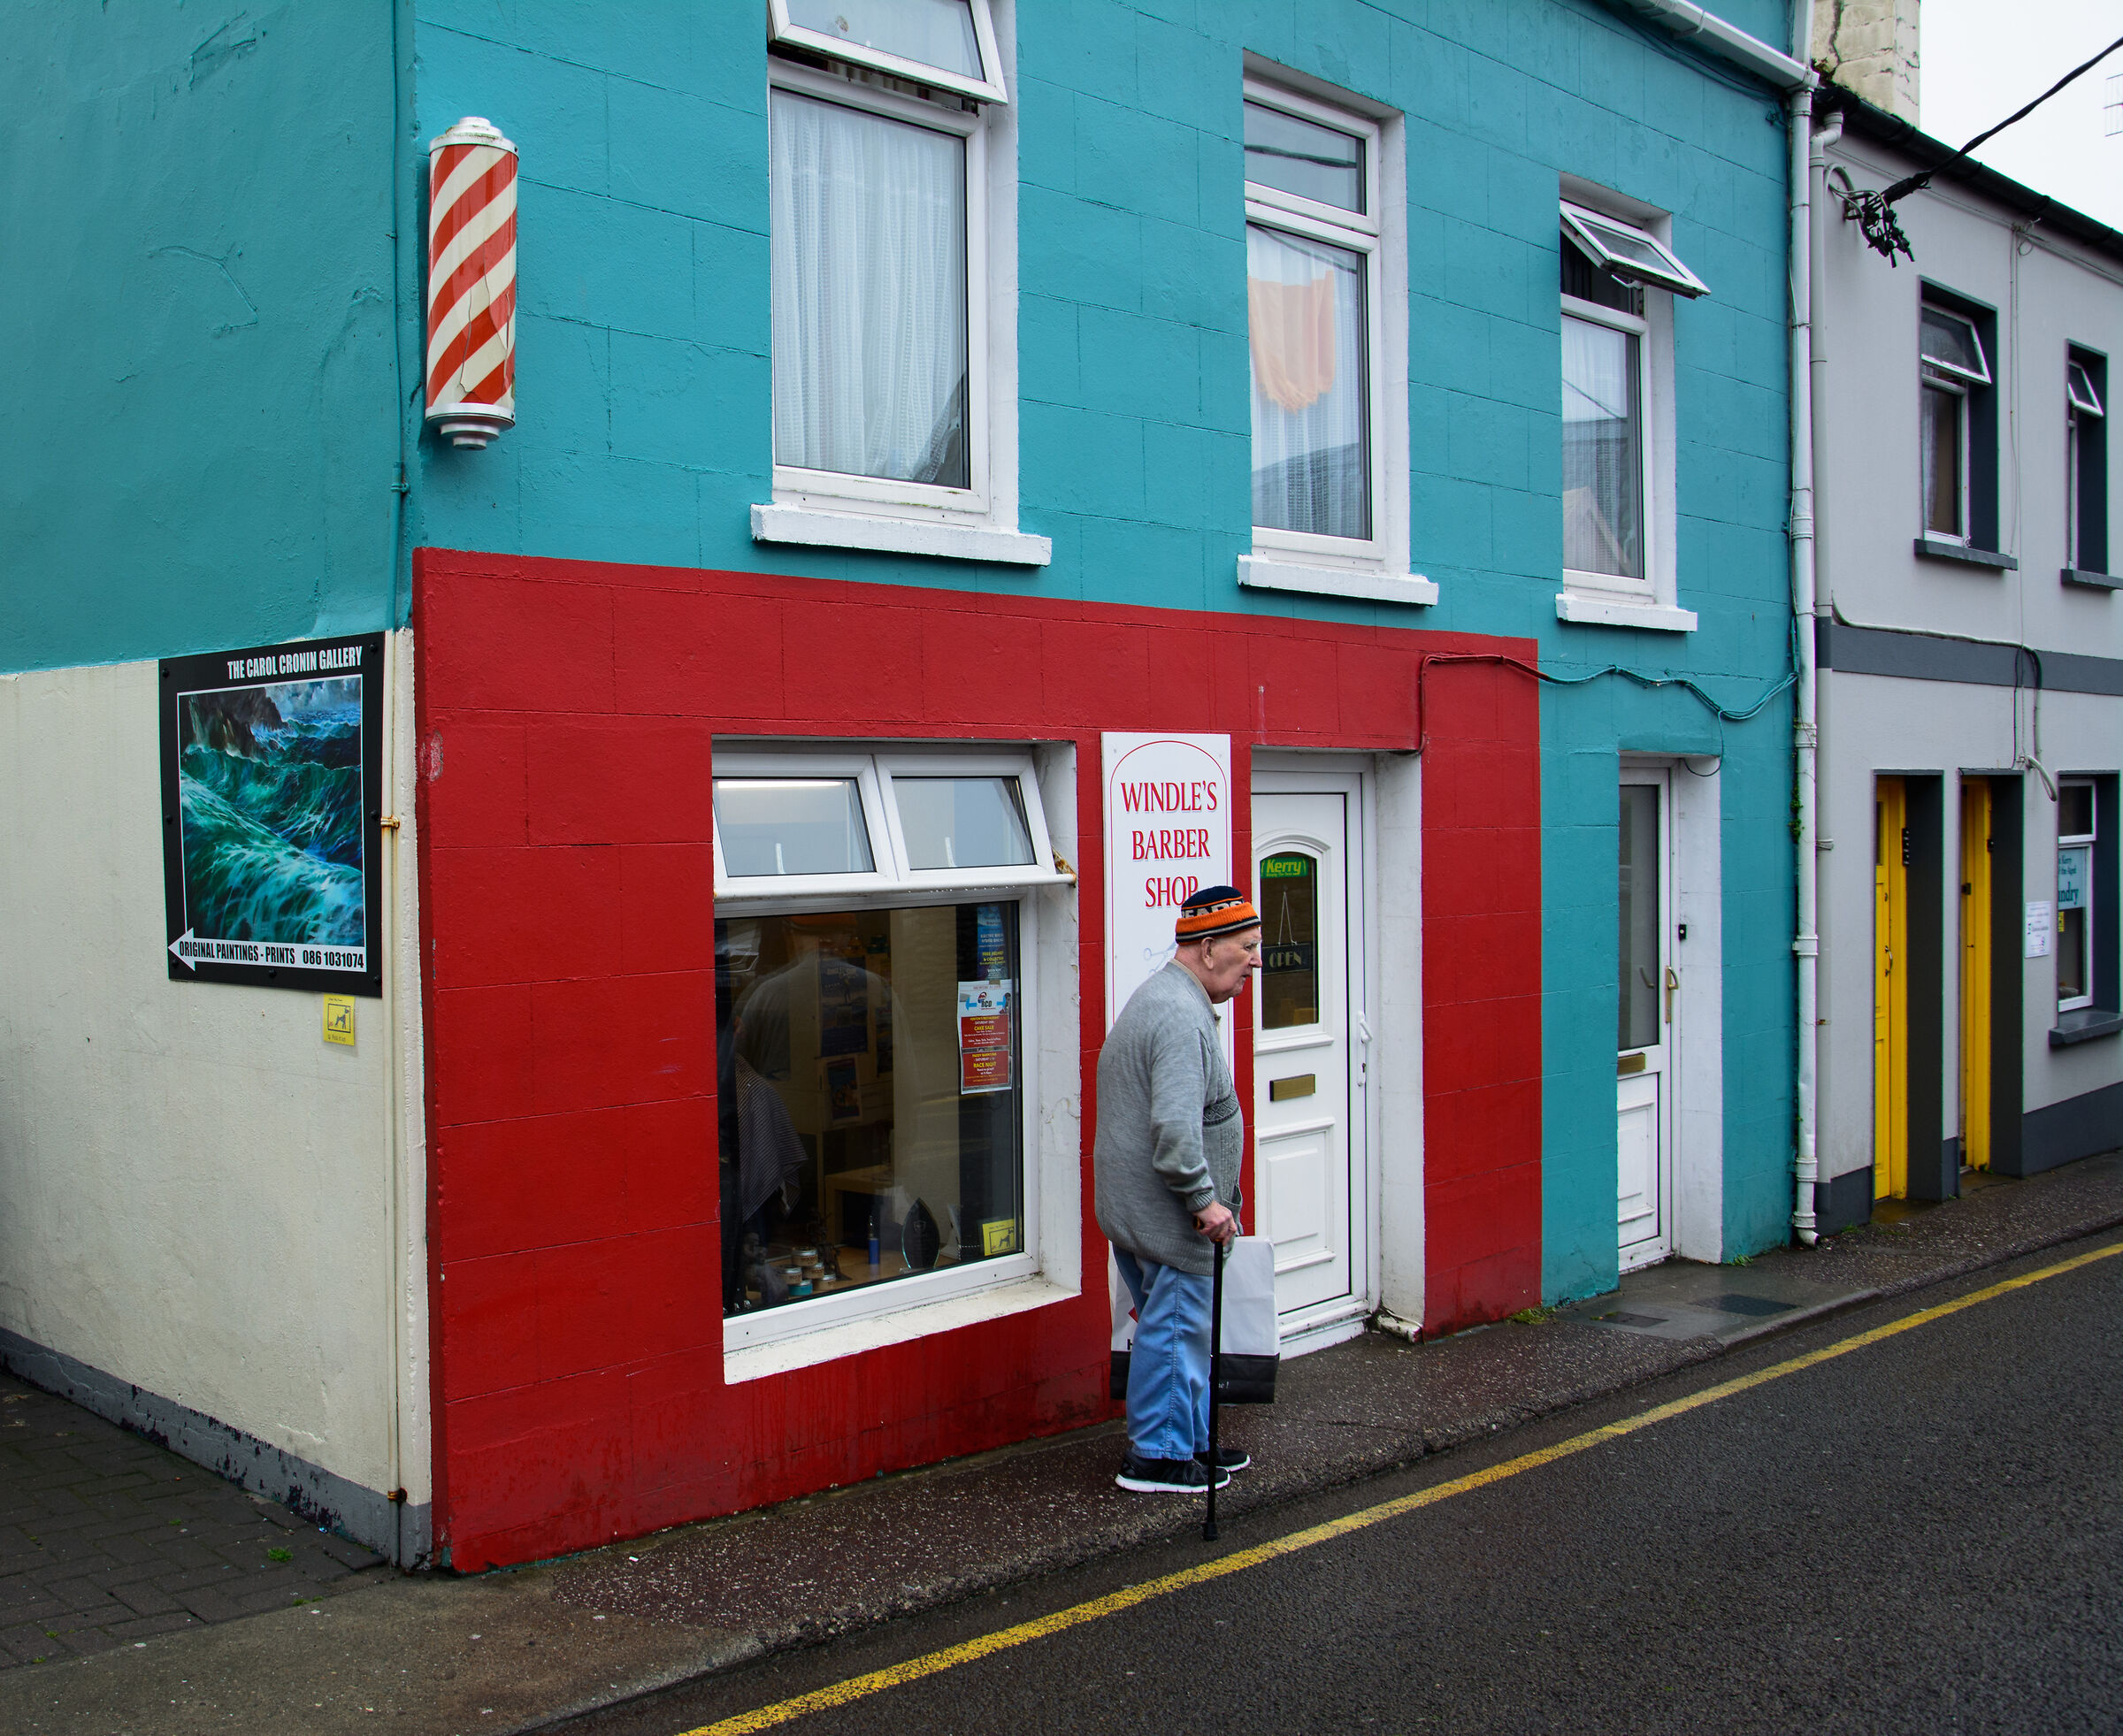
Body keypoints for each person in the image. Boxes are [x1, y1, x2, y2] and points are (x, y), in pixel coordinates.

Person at [1095, 884, 1262, 1493]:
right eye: (1247, 947)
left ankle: (1188, 1441)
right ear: (1209, 946)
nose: (1257, 960)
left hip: (1140, 1210)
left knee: (1182, 1328)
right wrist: (1205, 1201)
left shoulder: (1167, 999)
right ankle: (1158, 1456)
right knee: (1174, 1330)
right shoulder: (1176, 1013)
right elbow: (1172, 1125)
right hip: (1171, 1216)